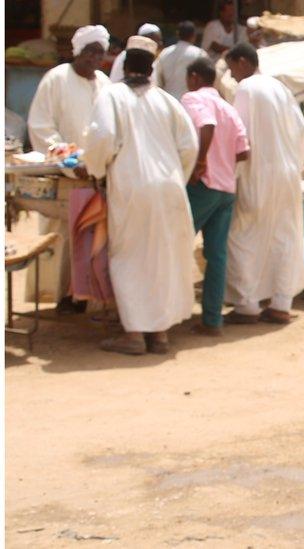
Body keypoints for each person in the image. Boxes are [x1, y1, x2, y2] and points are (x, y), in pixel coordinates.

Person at [82, 39, 199, 355]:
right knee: (162, 257)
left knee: (130, 257)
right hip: (170, 187)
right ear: (151, 69)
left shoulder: (112, 96)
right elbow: (190, 146)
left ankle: (134, 334)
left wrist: (96, 168)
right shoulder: (167, 100)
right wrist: (176, 174)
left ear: (123, 67)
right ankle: (159, 333)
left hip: (133, 187)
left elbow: (103, 137)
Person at [27, 24, 111, 314]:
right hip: (65, 174)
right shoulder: (56, 79)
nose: (94, 58)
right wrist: (69, 160)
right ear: (78, 52)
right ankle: (60, 295)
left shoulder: (104, 84)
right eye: (89, 51)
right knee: (61, 236)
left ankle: (83, 295)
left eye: (99, 53)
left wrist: (97, 161)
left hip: (95, 175)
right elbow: (41, 126)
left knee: (91, 235)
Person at [222, 43, 304, 325]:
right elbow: (301, 128)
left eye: (232, 68)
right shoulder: (280, 88)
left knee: (243, 234)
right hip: (287, 173)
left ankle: (247, 304)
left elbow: (239, 134)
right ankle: (281, 303)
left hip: (257, 172)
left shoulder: (247, 89)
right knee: (283, 236)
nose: (233, 76)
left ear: (243, 62)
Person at [181, 57, 250, 336]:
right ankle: (212, 320)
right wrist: (222, 161)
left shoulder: (193, 98)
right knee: (217, 256)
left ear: (195, 77)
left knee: (174, 244)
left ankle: (167, 315)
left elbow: (206, 125)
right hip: (226, 189)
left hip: (203, 186)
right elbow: (244, 151)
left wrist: (200, 163)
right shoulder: (227, 107)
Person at [157, 21, 208, 99]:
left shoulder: (165, 53)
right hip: (190, 101)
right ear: (194, 35)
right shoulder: (199, 54)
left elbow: (157, 79)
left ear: (177, 34)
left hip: (168, 100)